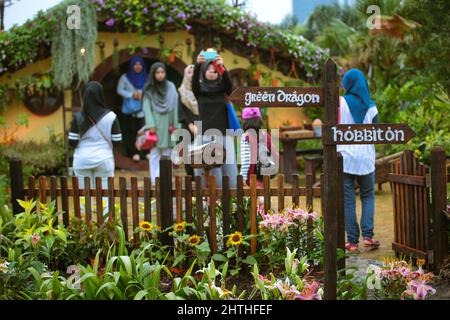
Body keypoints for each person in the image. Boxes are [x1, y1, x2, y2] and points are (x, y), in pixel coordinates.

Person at [338, 69, 380, 252]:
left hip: (345, 158)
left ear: (348, 83)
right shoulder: (372, 107)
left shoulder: (340, 102)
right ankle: (368, 236)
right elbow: (378, 132)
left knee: (348, 201)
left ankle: (352, 242)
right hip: (366, 158)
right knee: (368, 196)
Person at [192, 51, 238, 188]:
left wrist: (222, 68)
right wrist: (198, 65)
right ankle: (212, 204)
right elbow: (194, 83)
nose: (213, 72)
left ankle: (232, 204)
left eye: (215, 71)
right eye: (209, 70)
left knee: (230, 173)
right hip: (206, 136)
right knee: (212, 175)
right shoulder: (199, 91)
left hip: (224, 135)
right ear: (204, 71)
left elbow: (230, 86)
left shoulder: (223, 90)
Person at [68, 81, 122, 196]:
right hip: (104, 159)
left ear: (84, 96)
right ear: (101, 95)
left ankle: (84, 214)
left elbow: (72, 142)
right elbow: (117, 142)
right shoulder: (111, 117)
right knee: (105, 196)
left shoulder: (78, 117)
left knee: (84, 197)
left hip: (82, 160)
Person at [142, 62, 180, 185]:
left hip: (169, 123)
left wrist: (176, 125)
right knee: (154, 153)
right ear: (153, 74)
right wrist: (150, 125)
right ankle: (154, 179)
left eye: (162, 72)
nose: (160, 75)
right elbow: (147, 108)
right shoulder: (149, 89)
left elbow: (175, 106)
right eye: (157, 72)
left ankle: (165, 179)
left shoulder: (171, 87)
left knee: (167, 152)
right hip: (156, 124)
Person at [117, 56, 148, 161]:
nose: (137, 66)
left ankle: (143, 153)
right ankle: (133, 153)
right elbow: (119, 90)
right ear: (132, 66)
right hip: (129, 110)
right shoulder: (125, 77)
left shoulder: (147, 78)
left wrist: (142, 94)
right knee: (131, 132)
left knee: (143, 131)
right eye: (135, 64)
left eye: (140, 64)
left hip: (143, 110)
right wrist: (131, 94)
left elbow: (150, 90)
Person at [239, 107, 279, 188]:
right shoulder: (265, 135)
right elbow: (276, 155)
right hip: (265, 175)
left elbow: (246, 160)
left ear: (244, 121)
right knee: (264, 197)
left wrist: (243, 178)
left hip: (252, 176)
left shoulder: (246, 137)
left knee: (254, 198)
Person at [178, 64, 200, 179]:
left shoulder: (201, 90)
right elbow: (180, 110)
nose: (192, 75)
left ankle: (200, 176)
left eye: (194, 72)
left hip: (201, 124)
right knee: (188, 152)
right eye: (189, 73)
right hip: (187, 125)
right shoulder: (181, 91)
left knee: (201, 150)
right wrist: (190, 124)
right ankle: (190, 177)